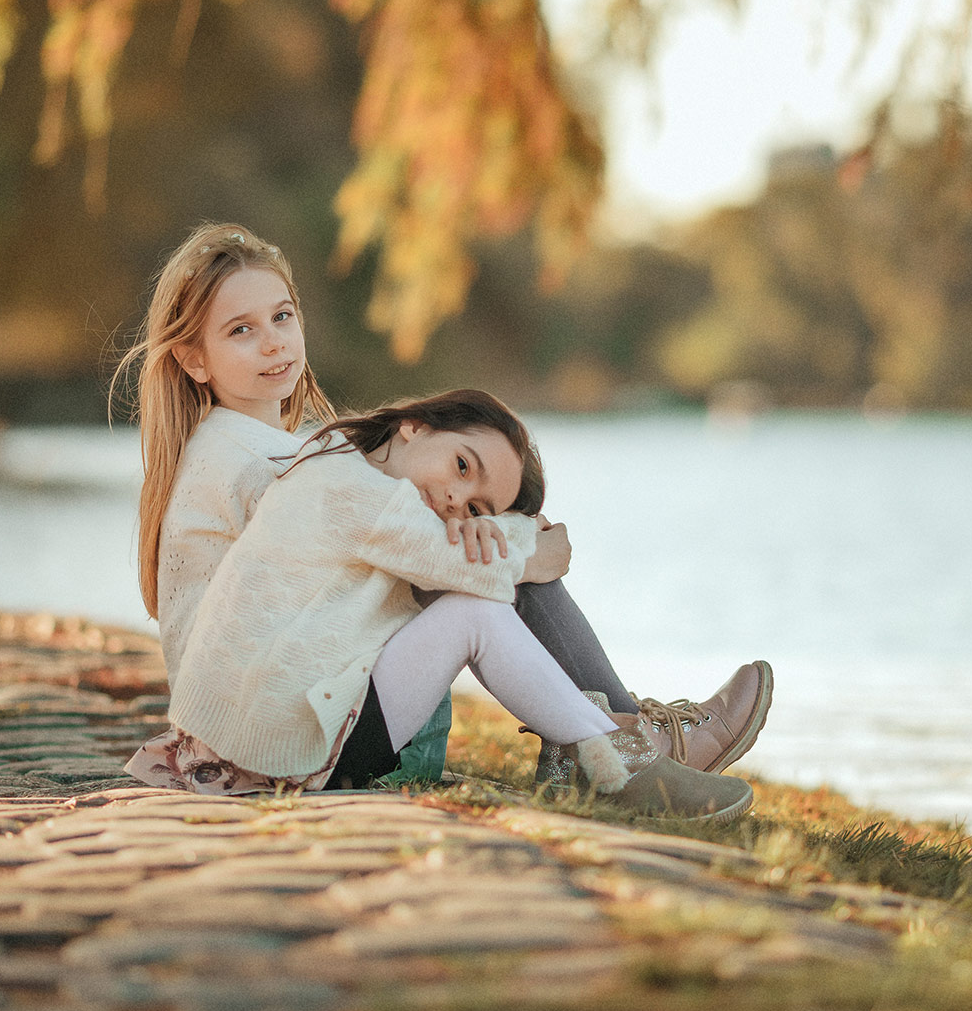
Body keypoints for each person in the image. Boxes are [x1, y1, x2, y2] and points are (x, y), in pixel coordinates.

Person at [111, 222, 771, 792]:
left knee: (475, 544)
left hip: (271, 700)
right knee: (482, 568)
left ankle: (600, 735)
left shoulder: (262, 447)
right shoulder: (251, 462)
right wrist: (526, 551)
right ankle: (630, 738)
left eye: (283, 317)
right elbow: (405, 555)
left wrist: (486, 531)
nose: (275, 342)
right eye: (241, 331)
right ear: (195, 359)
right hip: (270, 719)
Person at [141, 388, 750, 819]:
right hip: (275, 745)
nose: (458, 499)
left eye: (478, 508)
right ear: (417, 425)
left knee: (475, 601)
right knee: (475, 615)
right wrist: (527, 546)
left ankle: (611, 753)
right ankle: (616, 765)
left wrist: (498, 539)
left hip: (264, 735)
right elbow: (486, 573)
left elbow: (460, 561)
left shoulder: (346, 473)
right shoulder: (350, 489)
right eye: (463, 464)